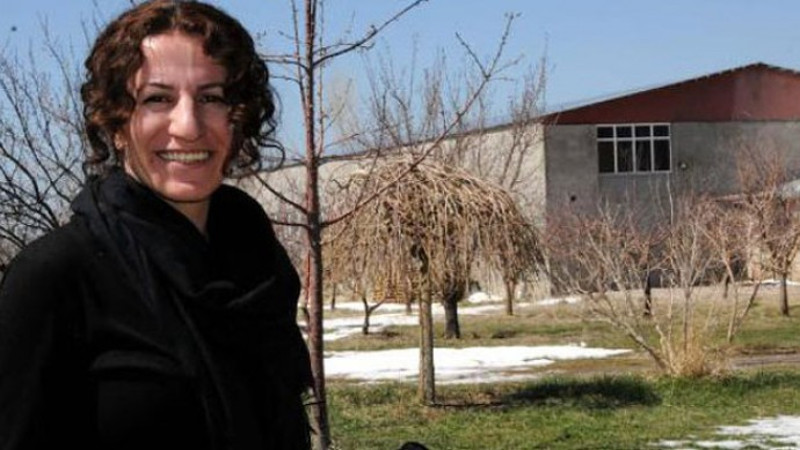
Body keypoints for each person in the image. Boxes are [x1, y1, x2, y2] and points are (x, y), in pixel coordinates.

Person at [0, 1, 312, 449]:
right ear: (116, 123)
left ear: (238, 118)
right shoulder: (55, 276)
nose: (188, 126)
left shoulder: (258, 264)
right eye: (157, 99)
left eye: (211, 97)